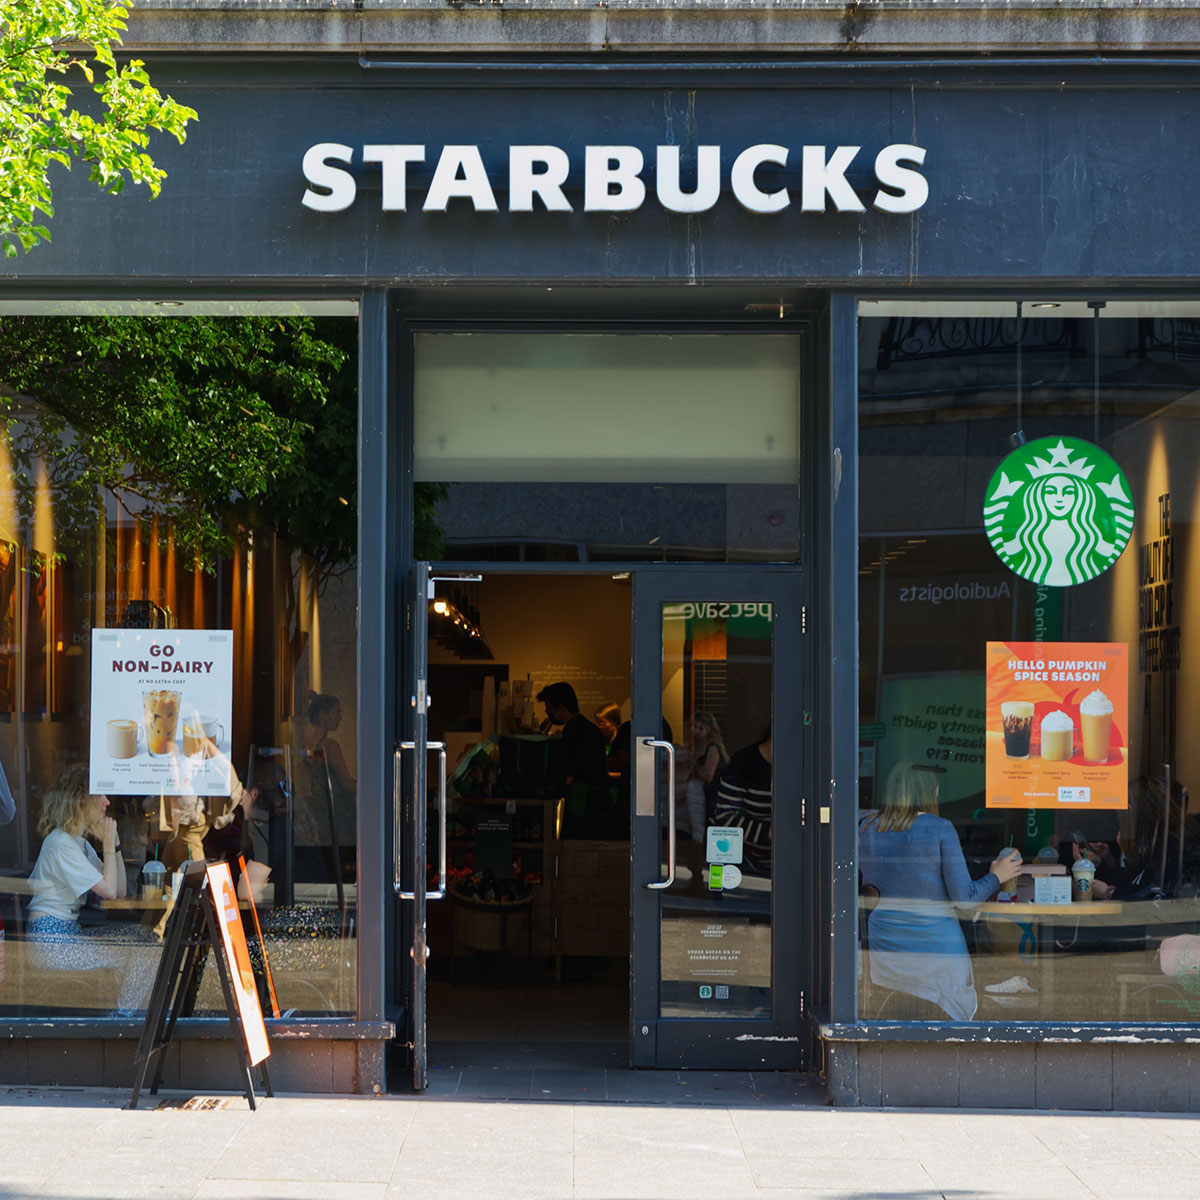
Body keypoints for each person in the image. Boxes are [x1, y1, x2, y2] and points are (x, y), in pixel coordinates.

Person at [858, 760, 1021, 1020]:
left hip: (885, 953)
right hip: (935, 957)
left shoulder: (865, 828)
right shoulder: (939, 828)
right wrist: (996, 876)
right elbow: (965, 899)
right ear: (930, 792)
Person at [26, 764, 159, 1014]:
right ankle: (122, 1017)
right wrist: (108, 843)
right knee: (143, 946)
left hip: (67, 934)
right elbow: (108, 891)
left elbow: (119, 890)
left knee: (145, 938)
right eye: (99, 795)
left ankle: (122, 1012)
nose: (107, 802)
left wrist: (115, 843)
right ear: (79, 801)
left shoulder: (79, 845)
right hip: (53, 942)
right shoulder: (60, 844)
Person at [537, 682, 611, 837]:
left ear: (561, 708)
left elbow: (569, 774)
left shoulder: (573, 732)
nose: (547, 713)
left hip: (584, 810)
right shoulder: (589, 729)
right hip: (597, 808)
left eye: (549, 708)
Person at [301, 691, 356, 881]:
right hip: (338, 812)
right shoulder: (329, 746)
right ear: (323, 716)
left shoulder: (308, 744)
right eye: (336, 712)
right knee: (343, 866)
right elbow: (347, 785)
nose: (340, 717)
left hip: (319, 810)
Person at [712, 729, 772, 876]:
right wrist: (771, 832)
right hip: (747, 866)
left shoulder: (803, 765)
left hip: (796, 865)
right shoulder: (743, 764)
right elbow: (725, 818)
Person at [684, 712, 727, 842]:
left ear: (709, 730)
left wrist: (693, 772)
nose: (697, 731)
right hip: (698, 794)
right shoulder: (696, 746)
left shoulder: (712, 748)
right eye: (695, 727)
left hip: (709, 796)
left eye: (701, 728)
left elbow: (708, 775)